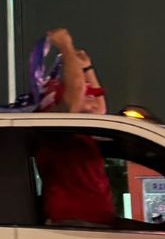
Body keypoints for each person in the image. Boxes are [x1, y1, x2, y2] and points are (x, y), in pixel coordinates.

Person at [34, 28, 116, 226]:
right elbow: (76, 93)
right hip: (73, 223)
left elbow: (99, 108)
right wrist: (65, 46)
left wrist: (87, 69)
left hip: (95, 221)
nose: (91, 102)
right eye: (85, 97)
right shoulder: (54, 124)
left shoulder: (80, 131)